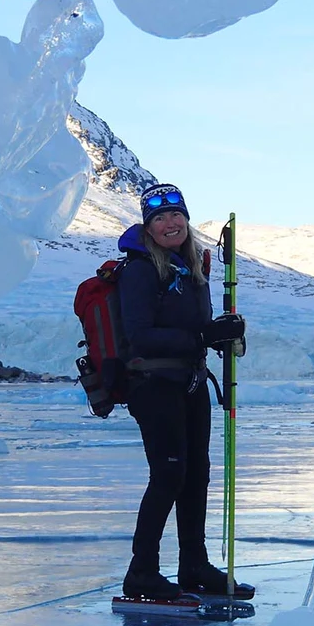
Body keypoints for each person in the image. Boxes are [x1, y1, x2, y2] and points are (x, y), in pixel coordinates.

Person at [117, 182, 252, 600]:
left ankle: (194, 565)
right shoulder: (140, 270)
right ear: (149, 228)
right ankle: (142, 572)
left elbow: (199, 332)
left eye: (176, 214)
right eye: (159, 217)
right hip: (154, 384)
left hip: (191, 382)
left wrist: (222, 335)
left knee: (196, 475)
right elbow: (139, 336)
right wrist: (202, 335)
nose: (170, 222)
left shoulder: (191, 268)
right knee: (169, 474)